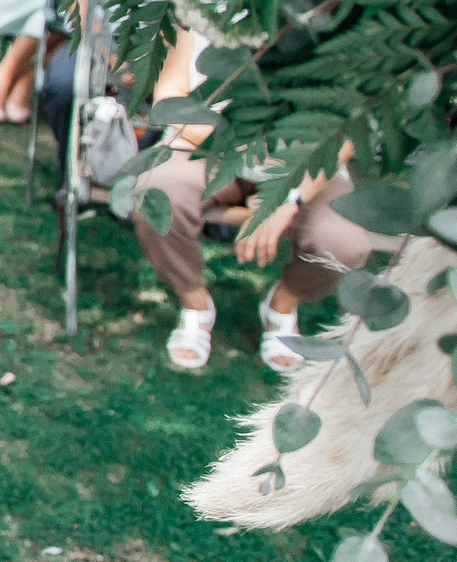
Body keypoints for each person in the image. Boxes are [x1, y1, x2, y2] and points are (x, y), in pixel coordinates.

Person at [125, 34, 386, 373]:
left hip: (303, 164)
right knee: (154, 193)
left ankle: (283, 303)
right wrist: (242, 148)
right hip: (208, 149)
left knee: (345, 242)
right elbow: (169, 103)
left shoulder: (325, 19)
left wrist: (285, 196)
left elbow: (346, 133)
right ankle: (195, 302)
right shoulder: (195, 12)